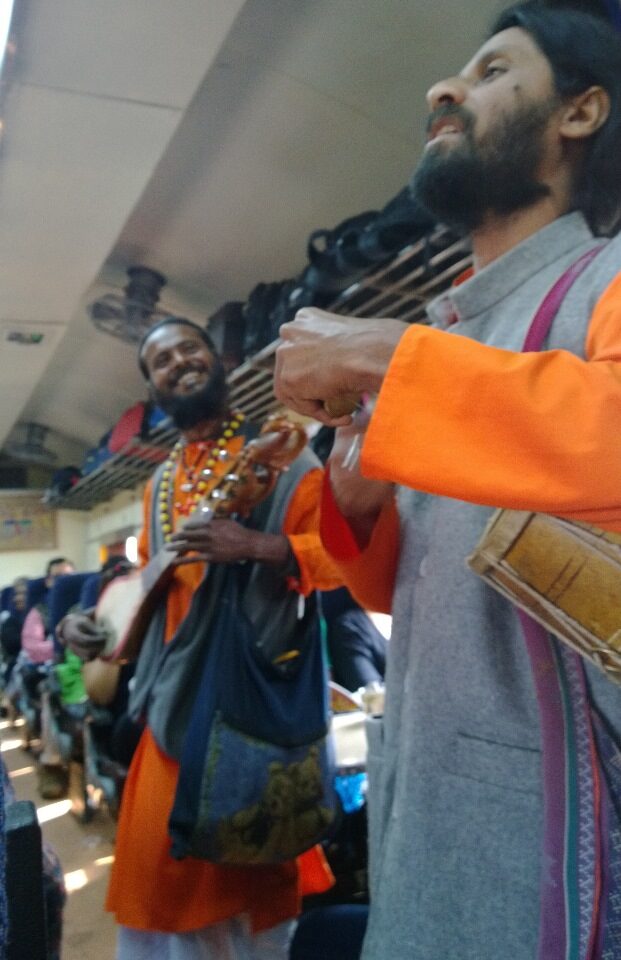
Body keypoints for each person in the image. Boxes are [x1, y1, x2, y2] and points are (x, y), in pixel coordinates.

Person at [274, 4, 621, 958]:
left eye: (494, 70)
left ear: (580, 112)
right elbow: (409, 593)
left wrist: (386, 353)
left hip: (559, 827)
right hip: (427, 795)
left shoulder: (605, 280)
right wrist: (358, 507)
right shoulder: (456, 337)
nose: (442, 89)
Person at [59, 316, 342, 960]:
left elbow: (339, 558)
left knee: (239, 893)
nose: (179, 362)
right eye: (161, 361)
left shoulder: (282, 452)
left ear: (218, 361)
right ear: (154, 389)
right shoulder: (159, 485)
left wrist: (258, 545)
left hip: (243, 704)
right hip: (168, 707)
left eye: (190, 348)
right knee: (159, 887)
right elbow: (159, 583)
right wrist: (97, 627)